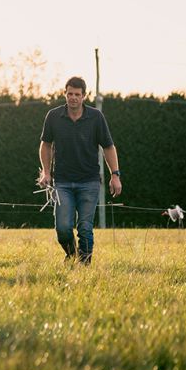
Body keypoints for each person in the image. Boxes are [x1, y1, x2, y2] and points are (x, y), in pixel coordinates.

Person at [38, 76, 122, 265]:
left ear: (84, 96)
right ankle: (71, 254)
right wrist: (46, 172)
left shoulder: (95, 117)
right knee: (63, 228)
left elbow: (108, 147)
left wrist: (115, 175)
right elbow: (45, 145)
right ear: (65, 94)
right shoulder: (53, 116)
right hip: (62, 182)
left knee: (85, 228)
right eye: (70, 94)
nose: (73, 97)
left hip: (89, 182)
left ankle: (85, 264)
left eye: (77, 94)